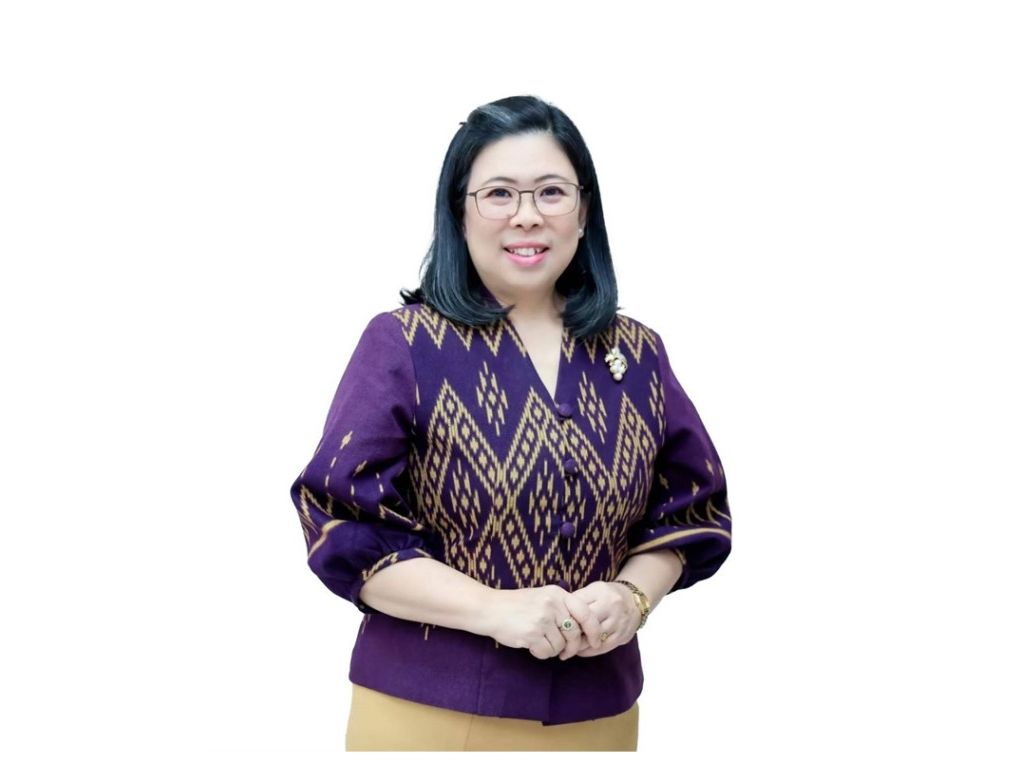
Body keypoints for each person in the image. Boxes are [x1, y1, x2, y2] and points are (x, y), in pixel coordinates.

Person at [290, 95, 731, 751]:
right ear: (459, 212)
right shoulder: (406, 345)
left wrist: (633, 597)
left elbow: (693, 507)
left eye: (551, 191)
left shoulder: (637, 353)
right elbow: (342, 523)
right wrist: (494, 609)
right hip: (428, 711)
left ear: (584, 212)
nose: (527, 214)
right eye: (499, 193)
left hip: (600, 714)